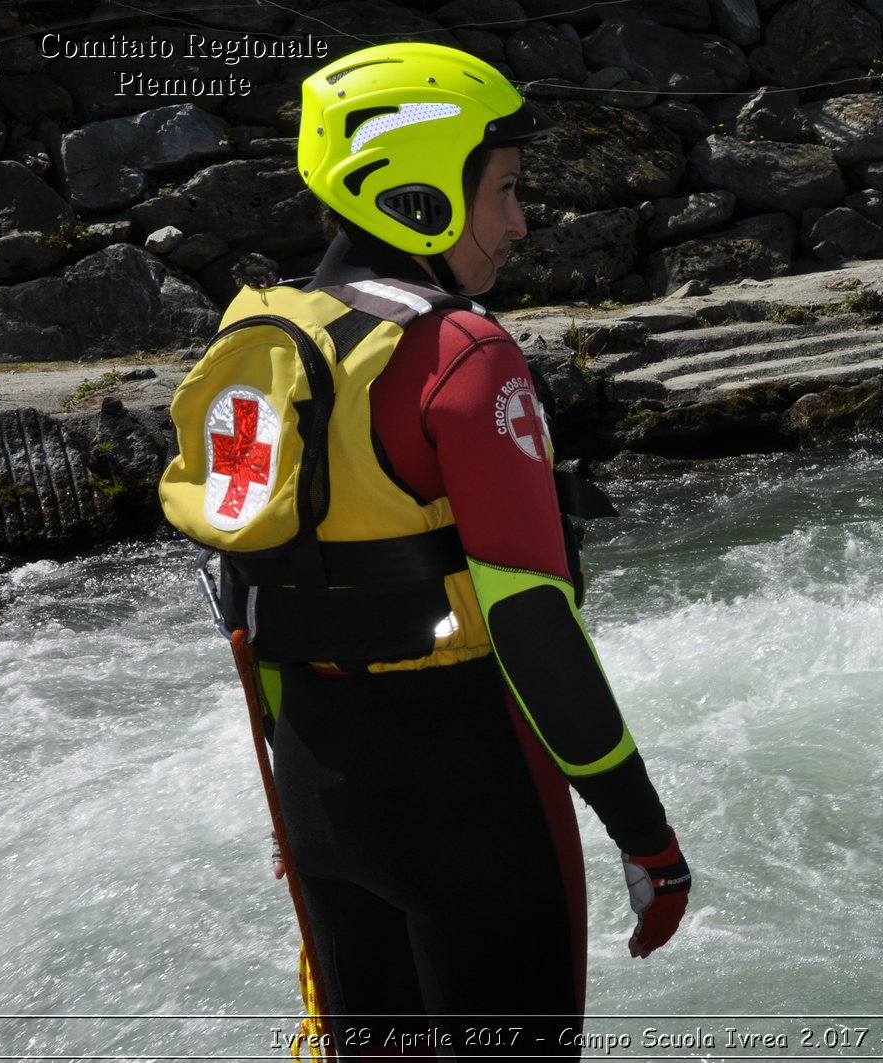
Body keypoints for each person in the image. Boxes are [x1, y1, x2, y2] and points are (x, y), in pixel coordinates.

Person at [230, 42, 690, 1058]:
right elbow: (531, 621)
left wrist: (286, 793)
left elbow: (247, 601)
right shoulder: (466, 358)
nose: (522, 222)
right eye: (507, 189)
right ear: (418, 191)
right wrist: (643, 831)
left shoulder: (266, 337)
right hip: (472, 804)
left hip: (318, 794)